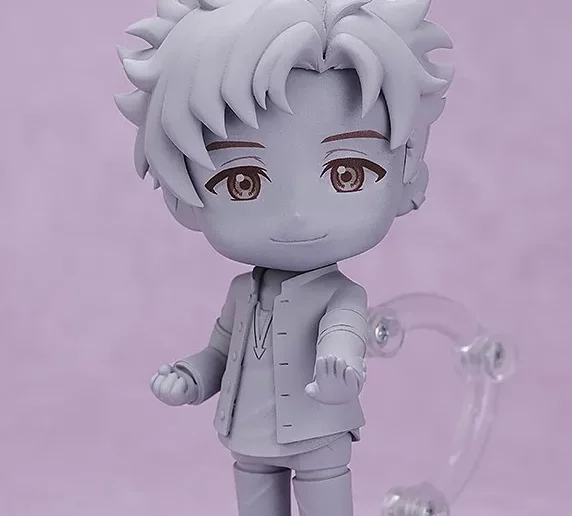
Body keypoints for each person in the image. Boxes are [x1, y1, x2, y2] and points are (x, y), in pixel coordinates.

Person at [115, 1, 453, 514]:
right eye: (242, 181)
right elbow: (221, 352)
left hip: (318, 433)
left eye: (347, 174)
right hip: (248, 436)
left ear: (409, 177)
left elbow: (343, 336)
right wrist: (191, 377)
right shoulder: (241, 293)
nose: (296, 214)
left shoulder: (342, 296)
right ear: (182, 195)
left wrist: (341, 374)